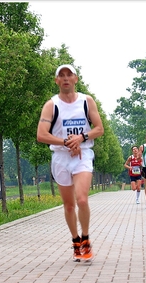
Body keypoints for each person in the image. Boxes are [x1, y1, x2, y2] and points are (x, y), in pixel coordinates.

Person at [37, 64, 104, 261]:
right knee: (68, 205)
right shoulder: (51, 105)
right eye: (61, 75)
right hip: (61, 156)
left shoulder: (86, 101)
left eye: (69, 75)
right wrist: (65, 142)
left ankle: (85, 237)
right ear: (57, 81)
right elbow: (41, 135)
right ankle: (75, 240)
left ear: (76, 79)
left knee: (82, 199)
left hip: (82, 154)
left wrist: (81, 138)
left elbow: (99, 129)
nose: (66, 78)